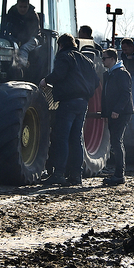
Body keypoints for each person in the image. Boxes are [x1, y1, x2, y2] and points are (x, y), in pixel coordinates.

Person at [39, 33, 100, 186]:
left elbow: (59, 74)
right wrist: (87, 93)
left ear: (60, 45)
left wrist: (45, 81)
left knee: (62, 138)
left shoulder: (64, 56)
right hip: (82, 103)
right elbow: (96, 80)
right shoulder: (86, 60)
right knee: (76, 139)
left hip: (68, 102)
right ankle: (76, 176)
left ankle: (59, 174)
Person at [100, 48, 134, 186]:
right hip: (114, 113)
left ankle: (119, 175)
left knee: (116, 141)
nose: (102, 61)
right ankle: (118, 173)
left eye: (104, 58)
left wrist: (117, 110)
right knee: (115, 142)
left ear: (113, 59)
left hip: (121, 113)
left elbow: (125, 94)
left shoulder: (121, 74)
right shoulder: (111, 74)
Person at [5, 0, 40, 67]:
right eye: (20, 7)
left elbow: (33, 32)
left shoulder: (33, 15)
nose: (22, 9)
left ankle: (21, 67)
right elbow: (7, 26)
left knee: (24, 48)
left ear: (28, 6)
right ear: (17, 6)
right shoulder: (11, 13)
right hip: (15, 38)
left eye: (25, 7)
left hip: (32, 39)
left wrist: (20, 41)